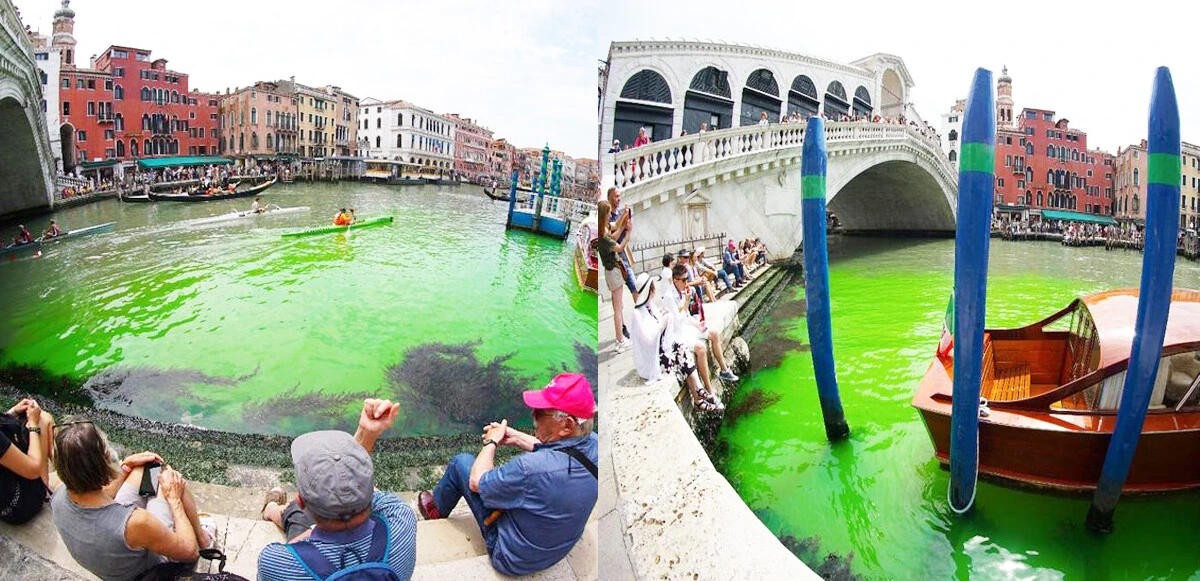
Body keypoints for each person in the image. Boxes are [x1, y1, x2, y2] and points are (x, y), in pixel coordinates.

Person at [417, 373, 597, 577]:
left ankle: (437, 510)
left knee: (462, 462)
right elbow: (560, 451)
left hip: (514, 557)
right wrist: (516, 437)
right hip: (561, 546)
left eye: (539, 413)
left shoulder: (529, 468)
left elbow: (477, 482)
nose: (533, 416)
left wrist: (491, 442)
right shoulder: (595, 444)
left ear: (567, 425)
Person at [257, 398, 416, 581]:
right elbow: (365, 488)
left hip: (308, 545)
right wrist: (367, 434)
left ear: (301, 499)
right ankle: (274, 510)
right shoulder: (402, 520)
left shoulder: (276, 563)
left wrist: (311, 532)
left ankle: (270, 509)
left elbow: (290, 552)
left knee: (295, 517)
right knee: (299, 518)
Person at [51, 421, 216, 581]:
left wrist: (125, 466)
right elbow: (189, 552)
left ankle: (152, 497)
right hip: (154, 571)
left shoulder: (58, 492)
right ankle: (204, 539)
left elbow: (100, 495)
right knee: (173, 480)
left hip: (113, 552)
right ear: (105, 459)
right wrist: (174, 499)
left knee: (150, 467)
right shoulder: (136, 523)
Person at [628, 274, 723, 411]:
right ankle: (699, 395)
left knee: (681, 348)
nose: (655, 290)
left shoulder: (652, 307)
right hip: (653, 359)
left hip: (661, 350)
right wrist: (662, 323)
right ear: (649, 290)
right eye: (653, 287)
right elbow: (648, 341)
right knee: (681, 356)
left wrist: (665, 320)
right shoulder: (637, 314)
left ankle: (699, 393)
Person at [664, 263, 739, 393]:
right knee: (701, 348)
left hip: (686, 327)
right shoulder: (669, 296)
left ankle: (724, 370)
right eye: (683, 280)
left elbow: (686, 316)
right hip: (678, 333)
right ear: (675, 281)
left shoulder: (681, 291)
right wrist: (687, 302)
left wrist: (698, 324)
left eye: (687, 279)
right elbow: (677, 321)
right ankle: (709, 389)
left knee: (714, 333)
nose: (686, 282)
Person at [0, 398, 55, 525]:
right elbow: (33, 470)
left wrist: (12, 413)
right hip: (20, 507)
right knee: (43, 419)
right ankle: (54, 486)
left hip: (4, 502)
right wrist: (34, 425)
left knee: (26, 420)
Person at [598, 200, 630, 353]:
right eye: (609, 212)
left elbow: (616, 228)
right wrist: (628, 233)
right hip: (613, 272)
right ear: (605, 214)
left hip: (610, 272)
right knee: (618, 308)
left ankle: (620, 339)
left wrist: (623, 218)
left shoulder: (603, 229)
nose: (611, 214)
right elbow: (619, 246)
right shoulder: (603, 236)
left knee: (618, 306)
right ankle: (620, 341)